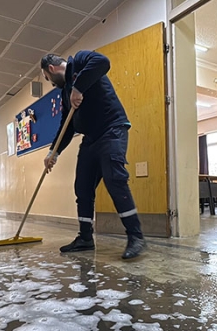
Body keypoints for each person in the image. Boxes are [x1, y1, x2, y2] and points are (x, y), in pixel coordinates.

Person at [40, 51, 146, 260]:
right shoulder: (64, 93)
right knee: (82, 187)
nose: (50, 82)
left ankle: (136, 236)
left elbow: (103, 62)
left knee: (114, 179)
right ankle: (85, 238)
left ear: (51, 69)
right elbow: (67, 126)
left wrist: (79, 88)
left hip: (111, 130)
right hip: (90, 138)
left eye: (47, 78)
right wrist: (54, 151)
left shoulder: (80, 61)